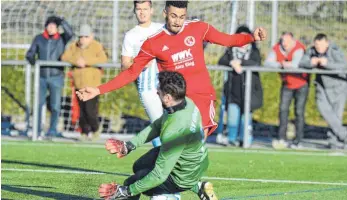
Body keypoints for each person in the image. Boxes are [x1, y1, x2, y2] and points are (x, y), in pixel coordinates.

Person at [76, 1, 267, 139]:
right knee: (174, 150)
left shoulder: (199, 28)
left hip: (202, 98)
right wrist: (98, 89)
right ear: (165, 13)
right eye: (174, 16)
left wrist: (251, 37)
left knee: (192, 142)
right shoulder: (153, 43)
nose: (178, 21)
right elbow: (131, 72)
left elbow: (228, 40)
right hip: (176, 102)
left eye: (182, 17)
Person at [98, 71, 217, 200]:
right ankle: (198, 186)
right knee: (138, 166)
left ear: (167, 98)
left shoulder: (174, 132)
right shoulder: (187, 103)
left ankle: (170, 195)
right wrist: (129, 145)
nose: (156, 92)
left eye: (159, 90)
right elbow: (157, 126)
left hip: (182, 177)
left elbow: (159, 175)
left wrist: (126, 191)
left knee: (132, 182)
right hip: (197, 161)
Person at [121, 1, 164, 147]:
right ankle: (160, 160)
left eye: (145, 9)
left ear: (151, 10)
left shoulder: (162, 29)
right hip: (147, 87)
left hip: (168, 85)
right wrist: (138, 64)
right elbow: (124, 65)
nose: (142, 12)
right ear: (134, 11)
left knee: (173, 123)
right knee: (159, 124)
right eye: (138, 9)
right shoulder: (131, 35)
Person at [26, 16, 73, 138]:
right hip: (41, 77)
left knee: (55, 106)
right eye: (49, 26)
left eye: (54, 26)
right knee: (38, 104)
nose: (51, 28)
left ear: (57, 28)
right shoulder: (39, 39)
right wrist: (32, 59)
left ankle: (52, 130)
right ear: (46, 27)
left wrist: (62, 21)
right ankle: (36, 130)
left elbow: (70, 33)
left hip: (56, 77)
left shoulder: (62, 39)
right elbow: (30, 53)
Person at [217, 25, 263, 146]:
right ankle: (232, 139)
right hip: (233, 92)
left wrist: (241, 62)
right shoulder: (230, 51)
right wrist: (232, 62)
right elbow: (221, 61)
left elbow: (256, 63)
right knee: (232, 117)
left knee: (245, 118)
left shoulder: (254, 51)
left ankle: (246, 139)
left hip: (249, 92)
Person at [299, 33, 347, 149]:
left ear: (327, 43)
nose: (318, 48)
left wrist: (327, 64)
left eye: (321, 45)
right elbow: (301, 63)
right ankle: (344, 135)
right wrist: (312, 62)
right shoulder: (312, 51)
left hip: (338, 88)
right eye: (316, 45)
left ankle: (334, 141)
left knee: (336, 116)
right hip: (322, 87)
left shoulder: (335, 51)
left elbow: (344, 66)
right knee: (325, 111)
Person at [61, 24, 108, 141]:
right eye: (81, 37)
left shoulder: (97, 46)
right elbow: (64, 57)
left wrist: (86, 62)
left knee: (90, 111)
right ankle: (85, 132)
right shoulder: (74, 46)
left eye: (86, 37)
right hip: (78, 84)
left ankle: (95, 129)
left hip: (93, 86)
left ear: (91, 36)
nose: (83, 39)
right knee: (81, 112)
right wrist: (76, 62)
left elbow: (103, 59)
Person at [264, 32, 308, 149]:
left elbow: (296, 64)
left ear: (293, 41)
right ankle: (281, 138)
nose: (285, 44)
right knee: (283, 110)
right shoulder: (277, 48)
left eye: (287, 42)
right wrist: (281, 64)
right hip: (287, 84)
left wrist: (286, 64)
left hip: (301, 84)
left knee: (299, 112)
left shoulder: (299, 48)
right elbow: (267, 63)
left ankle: (298, 141)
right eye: (283, 41)